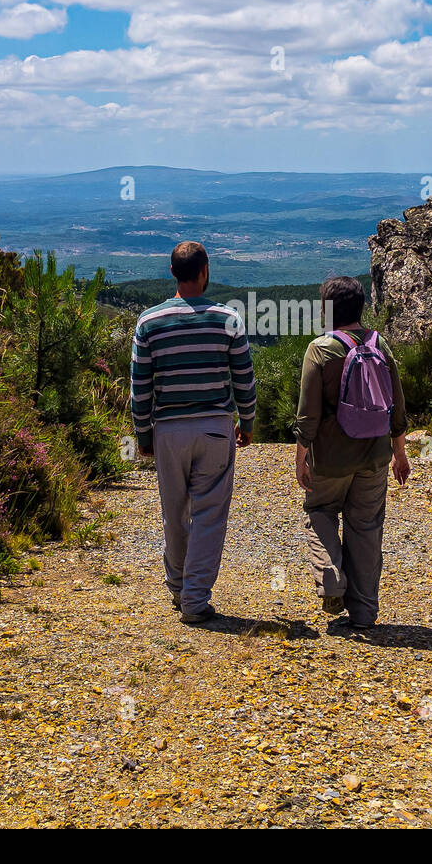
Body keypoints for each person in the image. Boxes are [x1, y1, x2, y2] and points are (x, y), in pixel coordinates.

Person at [130, 241, 255, 624]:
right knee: (209, 514)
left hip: (168, 430)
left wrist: (143, 435)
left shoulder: (148, 322)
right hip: (215, 427)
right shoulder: (228, 319)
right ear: (205, 271)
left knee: (174, 512)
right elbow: (244, 379)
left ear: (172, 272)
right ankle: (195, 599)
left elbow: (140, 386)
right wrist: (246, 423)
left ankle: (178, 587)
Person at [293, 276, 409, 632]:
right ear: (362, 307)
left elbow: (307, 415)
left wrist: (301, 458)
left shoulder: (321, 349)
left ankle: (330, 579)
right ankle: (363, 613)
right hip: (374, 457)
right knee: (367, 528)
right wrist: (399, 454)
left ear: (327, 310)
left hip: (330, 459)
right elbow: (398, 407)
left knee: (319, 510)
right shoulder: (381, 344)